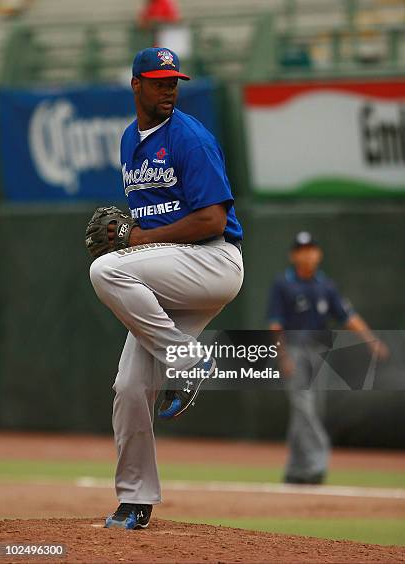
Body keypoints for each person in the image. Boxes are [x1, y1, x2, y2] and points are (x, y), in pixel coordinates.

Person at [89, 47, 244, 529]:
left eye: (174, 81)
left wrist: (136, 240)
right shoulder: (128, 142)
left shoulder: (190, 138)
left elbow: (212, 218)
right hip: (171, 269)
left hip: (213, 261)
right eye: (158, 81)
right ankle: (136, 501)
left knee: (106, 270)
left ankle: (188, 358)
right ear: (136, 85)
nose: (169, 89)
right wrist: (138, 239)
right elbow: (155, 215)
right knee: (131, 387)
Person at [267, 231, 388, 485]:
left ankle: (297, 471)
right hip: (295, 352)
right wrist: (283, 357)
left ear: (319, 254)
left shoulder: (326, 285)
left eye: (311, 249)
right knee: (304, 409)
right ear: (293, 255)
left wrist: (371, 340)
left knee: (309, 413)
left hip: (320, 353)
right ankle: (317, 464)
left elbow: (348, 317)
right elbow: (276, 325)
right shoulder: (283, 283)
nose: (307, 254)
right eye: (301, 249)